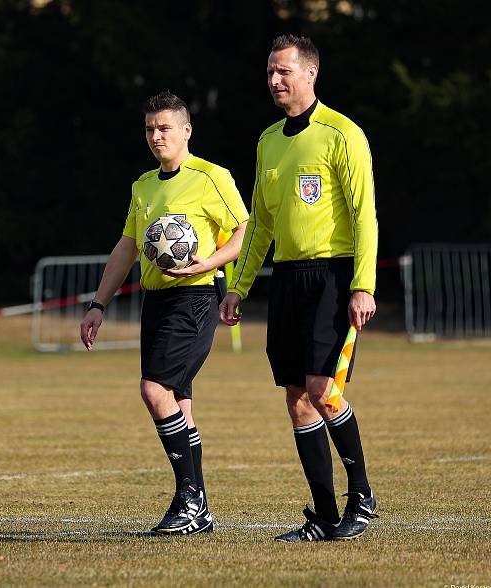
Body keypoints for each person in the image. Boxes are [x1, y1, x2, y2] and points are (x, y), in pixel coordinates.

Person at [221, 35, 379, 542]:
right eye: (270, 71)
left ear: (310, 74)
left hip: (333, 276)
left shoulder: (342, 134)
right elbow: (261, 223)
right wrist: (238, 287)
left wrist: (363, 285)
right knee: (296, 398)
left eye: (284, 71)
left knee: (323, 390)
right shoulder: (268, 141)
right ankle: (327, 515)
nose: (274, 80)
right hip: (287, 279)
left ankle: (363, 496)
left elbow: (364, 216)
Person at [80, 91, 248, 535]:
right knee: (179, 403)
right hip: (156, 304)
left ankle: (189, 500)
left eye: (165, 128)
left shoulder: (212, 177)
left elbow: (244, 232)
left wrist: (210, 264)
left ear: (186, 131)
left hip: (195, 299)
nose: (156, 136)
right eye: (150, 129)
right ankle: (199, 509)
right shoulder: (143, 186)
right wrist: (99, 304)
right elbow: (128, 247)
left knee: (154, 391)